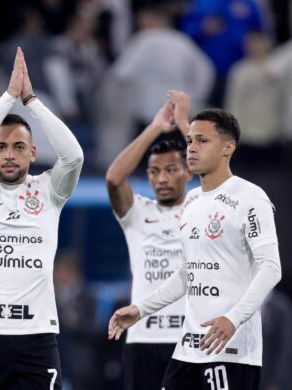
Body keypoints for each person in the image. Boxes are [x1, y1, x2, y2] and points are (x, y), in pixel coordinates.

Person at [108, 109, 282, 390]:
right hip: (188, 349)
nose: (192, 148)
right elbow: (188, 273)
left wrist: (233, 319)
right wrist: (141, 309)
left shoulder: (250, 197)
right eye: (190, 141)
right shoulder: (192, 200)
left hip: (231, 350)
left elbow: (271, 267)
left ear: (228, 148)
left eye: (202, 140)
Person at [0, 47, 83, 390]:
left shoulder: (48, 191)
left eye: (19, 147)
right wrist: (8, 98)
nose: (10, 154)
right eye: (2, 146)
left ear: (33, 153)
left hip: (37, 336)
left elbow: (73, 155)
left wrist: (32, 102)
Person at [105, 91, 192, 390]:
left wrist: (183, 123)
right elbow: (114, 178)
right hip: (143, 338)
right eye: (154, 172)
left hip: (191, 339)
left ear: (188, 171)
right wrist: (155, 127)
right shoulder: (137, 212)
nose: (162, 179)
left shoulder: (203, 207)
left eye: (171, 170)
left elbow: (216, 168)